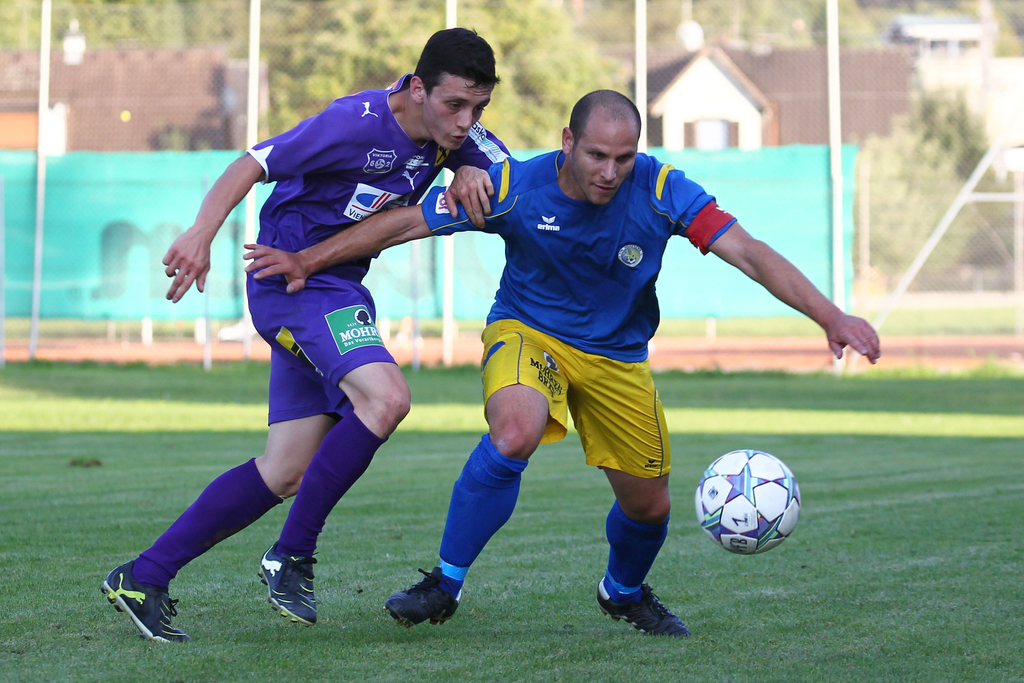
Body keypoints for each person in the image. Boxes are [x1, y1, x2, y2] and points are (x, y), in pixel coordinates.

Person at [243, 90, 881, 637]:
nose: (610, 172)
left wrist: (830, 315)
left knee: (649, 507)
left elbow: (749, 252)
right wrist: (306, 261)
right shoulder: (516, 186)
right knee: (515, 432)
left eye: (623, 158)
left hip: (618, 356)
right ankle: (445, 582)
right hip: (529, 333)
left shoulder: (664, 190)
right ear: (568, 141)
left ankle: (622, 592)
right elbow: (403, 224)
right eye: (597, 155)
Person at [100, 28, 510, 643]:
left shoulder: (455, 131)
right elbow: (252, 163)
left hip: (333, 288)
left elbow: (504, 167)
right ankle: (292, 554)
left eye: (478, 108)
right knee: (386, 398)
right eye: (455, 105)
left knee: (284, 469)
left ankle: (143, 576)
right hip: (290, 285)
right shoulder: (353, 123)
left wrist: (472, 169)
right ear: (417, 88)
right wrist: (201, 233)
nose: (465, 121)